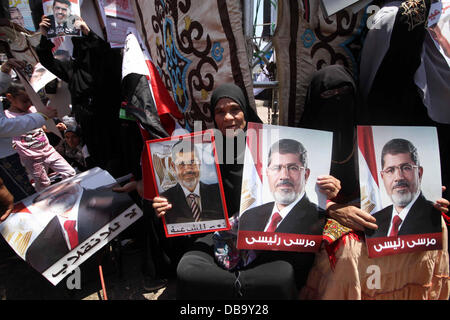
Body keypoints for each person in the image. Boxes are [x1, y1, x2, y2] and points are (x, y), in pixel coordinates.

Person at [154, 83, 341, 299]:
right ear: (213, 117)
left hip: (266, 236)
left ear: (245, 111)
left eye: (235, 109)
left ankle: (235, 287)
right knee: (188, 269)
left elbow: (299, 193)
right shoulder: (203, 156)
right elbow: (193, 209)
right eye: (220, 112)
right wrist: (167, 207)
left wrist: (326, 188)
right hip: (219, 234)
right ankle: (237, 287)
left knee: (281, 276)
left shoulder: (272, 151)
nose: (228, 118)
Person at [23, 179, 134, 273]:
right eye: (44, 196)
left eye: (63, 185)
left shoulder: (113, 198)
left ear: (78, 182)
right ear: (36, 205)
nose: (54, 194)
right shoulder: (35, 251)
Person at [239, 138, 327, 235]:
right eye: (276, 168)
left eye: (293, 168)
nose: (284, 176)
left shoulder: (319, 220)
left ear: (306, 175)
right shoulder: (248, 217)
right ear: (267, 173)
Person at [0, 58, 57, 202]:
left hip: (7, 153)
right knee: (24, 196)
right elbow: (2, 127)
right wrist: (40, 117)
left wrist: (4, 72)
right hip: (3, 157)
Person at [4, 82, 76, 191]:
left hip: (48, 151)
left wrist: (54, 128)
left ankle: (70, 192)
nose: (28, 104)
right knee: (44, 184)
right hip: (32, 158)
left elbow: (42, 127)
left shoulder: (33, 110)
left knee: (70, 173)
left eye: (30, 100)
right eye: (24, 101)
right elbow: (8, 136)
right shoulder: (7, 118)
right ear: (10, 98)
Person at [366, 138, 442, 238]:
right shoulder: (374, 220)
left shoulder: (436, 216)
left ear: (419, 173)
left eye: (406, 168)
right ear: (382, 177)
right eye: (390, 170)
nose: (398, 177)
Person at [159, 138, 224, 225]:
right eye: (181, 164)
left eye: (192, 162)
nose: (188, 169)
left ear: (199, 163)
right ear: (173, 167)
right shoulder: (164, 200)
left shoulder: (218, 192)